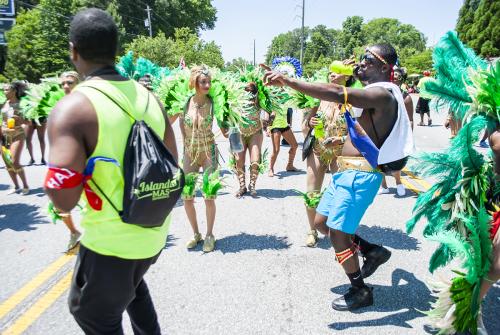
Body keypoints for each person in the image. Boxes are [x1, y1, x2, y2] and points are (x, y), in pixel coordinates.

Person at [45, 9, 177, 334]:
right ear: (115, 49)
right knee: (132, 289)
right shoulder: (150, 98)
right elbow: (172, 163)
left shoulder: (73, 108)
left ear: (73, 50)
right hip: (154, 232)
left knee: (89, 312)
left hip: (110, 244)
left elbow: (62, 197)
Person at [263, 43, 414, 311]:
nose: (362, 62)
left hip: (360, 174)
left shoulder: (383, 94)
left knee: (338, 233)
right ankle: (372, 251)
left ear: (384, 67)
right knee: (322, 223)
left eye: (368, 59)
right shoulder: (371, 91)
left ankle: (360, 290)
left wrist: (287, 81)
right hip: (346, 171)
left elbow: (336, 92)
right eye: (361, 60)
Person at [301, 64, 353, 247]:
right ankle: (312, 230)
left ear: (346, 76)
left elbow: (362, 131)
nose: (331, 74)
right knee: (311, 192)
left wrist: (342, 139)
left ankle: (341, 234)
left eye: (336, 71)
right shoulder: (319, 96)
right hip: (318, 149)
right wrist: (310, 121)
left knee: (343, 195)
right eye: (329, 71)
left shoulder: (353, 99)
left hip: (341, 153)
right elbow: (305, 127)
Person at [176, 66, 226, 252]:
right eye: (203, 82)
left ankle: (209, 234)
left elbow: (225, 126)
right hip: (189, 151)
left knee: (209, 196)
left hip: (208, 151)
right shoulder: (184, 102)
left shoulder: (214, 103)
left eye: (208, 82)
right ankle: (195, 233)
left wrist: (230, 129)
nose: (207, 85)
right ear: (195, 83)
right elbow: (177, 123)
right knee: (187, 196)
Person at [55, 71, 82, 251]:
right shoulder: (58, 105)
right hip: (66, 161)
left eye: (70, 82)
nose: (65, 86)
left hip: (90, 161)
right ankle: (74, 231)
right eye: (62, 83)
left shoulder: (88, 103)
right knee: (58, 204)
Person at [379, 66, 414, 196]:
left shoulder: (406, 97)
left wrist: (409, 136)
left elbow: (410, 120)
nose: (394, 79)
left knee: (397, 160)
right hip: (381, 132)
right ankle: (384, 186)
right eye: (392, 76)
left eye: (397, 77)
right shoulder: (381, 93)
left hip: (399, 133)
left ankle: (398, 182)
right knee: (379, 159)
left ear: (401, 79)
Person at [234, 82, 264, 198]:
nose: (249, 93)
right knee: (238, 161)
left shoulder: (259, 100)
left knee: (255, 160)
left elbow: (270, 106)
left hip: (255, 132)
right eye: (246, 90)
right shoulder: (236, 100)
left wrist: (270, 117)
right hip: (238, 132)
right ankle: (242, 186)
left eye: (251, 91)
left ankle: (252, 185)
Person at [1, 81, 30, 194]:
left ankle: (25, 185)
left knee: (14, 161)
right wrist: (3, 129)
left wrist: (20, 119)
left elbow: (29, 122)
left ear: (14, 91)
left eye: (7, 89)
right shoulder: (4, 103)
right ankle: (16, 186)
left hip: (17, 134)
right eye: (3, 89)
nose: (4, 91)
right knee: (7, 163)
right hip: (4, 135)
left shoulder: (22, 104)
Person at [266, 104, 299, 177]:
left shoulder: (286, 98)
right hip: (275, 127)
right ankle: (271, 169)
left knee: (295, 145)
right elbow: (271, 114)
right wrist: (268, 127)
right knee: (276, 150)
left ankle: (290, 165)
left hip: (284, 126)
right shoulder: (273, 100)